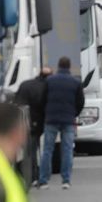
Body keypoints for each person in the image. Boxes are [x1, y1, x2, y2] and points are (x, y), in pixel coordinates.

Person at [38, 57, 84, 190]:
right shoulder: (75, 83)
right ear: (69, 67)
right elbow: (80, 102)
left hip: (51, 119)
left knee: (47, 150)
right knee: (67, 150)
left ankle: (44, 180)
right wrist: (73, 114)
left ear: (58, 66)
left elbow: (42, 99)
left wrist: (46, 113)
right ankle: (66, 180)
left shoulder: (49, 81)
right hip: (68, 120)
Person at [15, 66, 52, 187]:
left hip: (22, 120)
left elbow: (18, 102)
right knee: (36, 149)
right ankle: (35, 176)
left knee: (28, 151)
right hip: (37, 122)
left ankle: (27, 175)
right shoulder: (45, 87)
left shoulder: (26, 84)